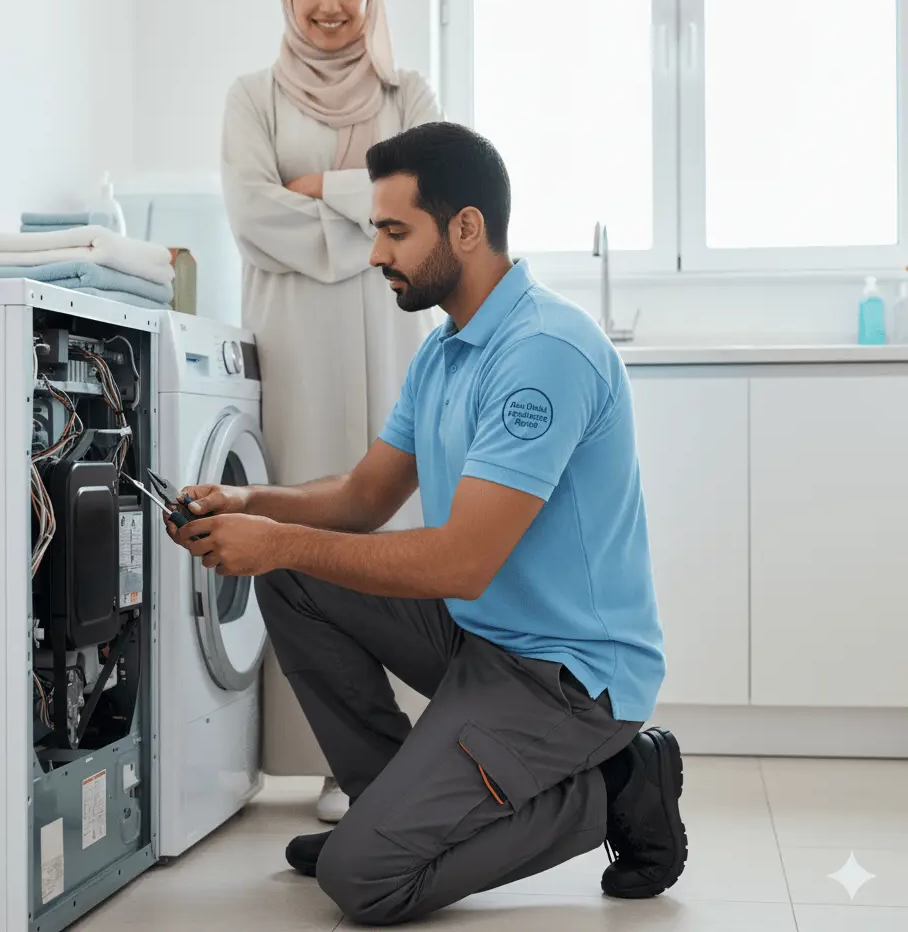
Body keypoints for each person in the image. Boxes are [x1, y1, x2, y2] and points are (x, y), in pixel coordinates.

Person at [174, 122, 687, 925]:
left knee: (363, 882)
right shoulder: (445, 351)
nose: (376, 252)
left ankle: (618, 785)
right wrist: (251, 505)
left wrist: (274, 540)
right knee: (293, 576)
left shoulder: (543, 352)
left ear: (466, 228)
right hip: (482, 639)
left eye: (394, 231)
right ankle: (390, 808)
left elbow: (460, 564)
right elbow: (362, 497)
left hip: (569, 680)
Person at [220, 0, 442, 822]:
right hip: (295, 341)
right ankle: (327, 757)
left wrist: (319, 190)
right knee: (301, 527)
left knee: (392, 527)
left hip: (391, 331)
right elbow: (250, 215)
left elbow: (425, 205)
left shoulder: (408, 91)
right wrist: (368, 219)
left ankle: (412, 750)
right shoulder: (253, 96)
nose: (329, 5)